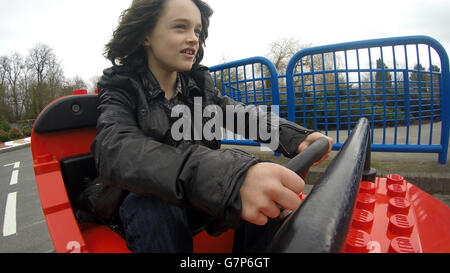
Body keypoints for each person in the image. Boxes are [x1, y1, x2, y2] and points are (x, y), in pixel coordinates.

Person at [90, 0, 333, 253]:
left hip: (197, 198)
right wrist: (229, 176)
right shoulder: (120, 86)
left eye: (197, 31)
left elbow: (238, 114)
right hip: (147, 207)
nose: (193, 39)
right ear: (146, 35)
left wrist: (296, 137)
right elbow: (115, 150)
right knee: (153, 206)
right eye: (180, 27)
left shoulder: (197, 84)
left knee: (265, 186)